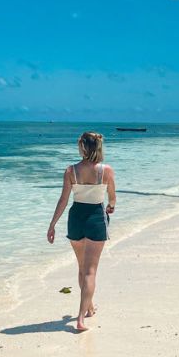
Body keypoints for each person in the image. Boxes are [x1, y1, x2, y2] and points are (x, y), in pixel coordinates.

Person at [47, 131, 116, 332]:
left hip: (76, 218)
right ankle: (80, 318)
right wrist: (111, 207)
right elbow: (112, 198)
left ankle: (90, 307)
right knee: (90, 271)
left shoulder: (71, 171)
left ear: (83, 147)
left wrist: (52, 225)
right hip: (96, 218)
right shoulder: (106, 171)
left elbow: (63, 200)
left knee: (82, 268)